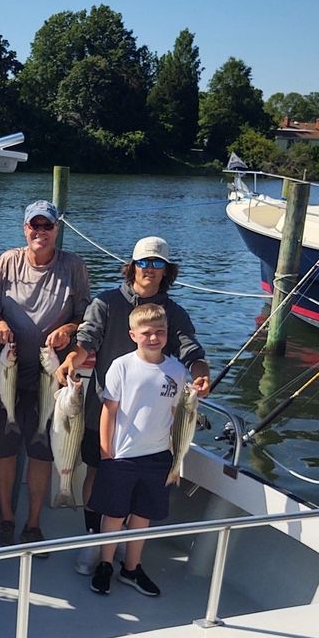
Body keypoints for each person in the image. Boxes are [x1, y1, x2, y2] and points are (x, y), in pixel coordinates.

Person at [57, 235, 210, 575]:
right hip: (104, 414)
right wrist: (71, 360)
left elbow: (192, 352)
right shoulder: (106, 302)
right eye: (144, 262)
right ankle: (93, 541)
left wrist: (201, 374)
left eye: (158, 264)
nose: (150, 269)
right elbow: (85, 340)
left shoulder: (175, 313)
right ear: (132, 266)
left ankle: (124, 553)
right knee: (97, 474)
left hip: (151, 426)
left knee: (139, 490)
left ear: (166, 271)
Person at [0, 200, 90, 548]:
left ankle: (33, 522)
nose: (40, 232)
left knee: (42, 451)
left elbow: (85, 317)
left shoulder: (74, 266)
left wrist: (67, 330)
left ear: (57, 230)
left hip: (51, 376)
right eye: (34, 225)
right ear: (24, 228)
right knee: (5, 450)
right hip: (7, 371)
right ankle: (6, 518)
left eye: (47, 226)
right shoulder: (7, 261)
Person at [88, 303, 187, 597]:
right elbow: (109, 410)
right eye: (147, 333)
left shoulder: (177, 371)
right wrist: (107, 452)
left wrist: (175, 459)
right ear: (133, 335)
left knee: (143, 514)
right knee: (114, 514)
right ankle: (105, 563)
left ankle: (132, 567)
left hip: (158, 456)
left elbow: (177, 414)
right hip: (122, 455)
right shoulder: (121, 366)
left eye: (160, 332)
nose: (154, 338)